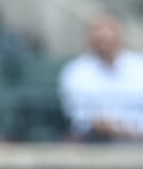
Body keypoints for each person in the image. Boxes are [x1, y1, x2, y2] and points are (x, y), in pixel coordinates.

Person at [58, 11, 143, 141]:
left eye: (108, 40)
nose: (104, 46)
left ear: (120, 38)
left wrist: (127, 128)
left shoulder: (139, 66)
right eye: (100, 41)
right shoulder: (76, 71)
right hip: (95, 140)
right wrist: (110, 127)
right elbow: (78, 114)